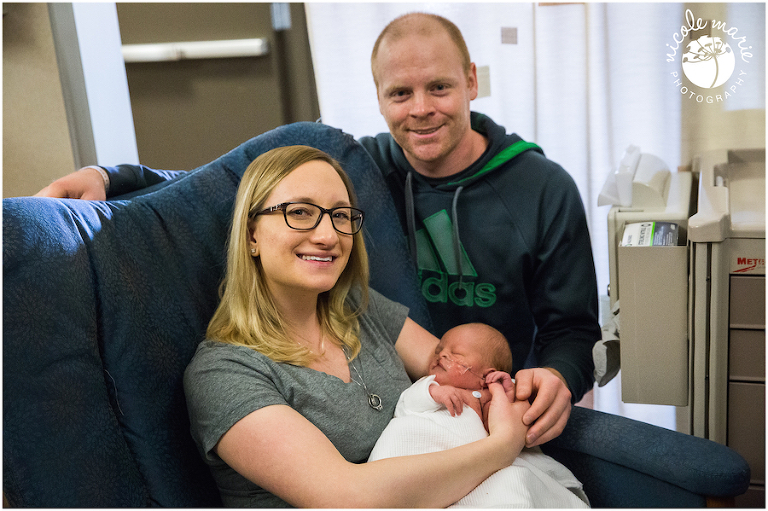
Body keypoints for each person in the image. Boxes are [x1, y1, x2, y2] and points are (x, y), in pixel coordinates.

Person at [34, 12, 600, 448]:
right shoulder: (360, 170)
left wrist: (556, 378)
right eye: (400, 94)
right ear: (378, 97)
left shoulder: (543, 189)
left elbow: (573, 328)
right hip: (412, 402)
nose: (421, 110)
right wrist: (115, 177)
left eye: (440, 88)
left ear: (472, 82)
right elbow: (239, 182)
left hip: (499, 396)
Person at [181, 144, 529, 507]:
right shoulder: (223, 374)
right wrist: (502, 446)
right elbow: (348, 497)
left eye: (341, 216)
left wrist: (525, 389)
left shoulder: (359, 307)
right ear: (252, 234)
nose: (329, 236)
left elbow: (468, 373)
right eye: (300, 212)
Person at [368, 322, 590, 508]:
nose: (441, 355)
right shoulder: (429, 387)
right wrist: (434, 392)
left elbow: (509, 427)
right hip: (430, 462)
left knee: (512, 483)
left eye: (456, 355)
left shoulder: (492, 395)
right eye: (439, 350)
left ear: (487, 375)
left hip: (482, 470)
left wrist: (507, 394)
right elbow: (406, 407)